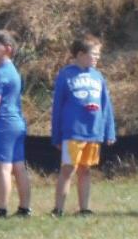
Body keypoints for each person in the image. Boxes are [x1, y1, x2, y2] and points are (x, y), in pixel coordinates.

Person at [50, 35, 116, 216]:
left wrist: (109, 131)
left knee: (85, 170)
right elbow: (57, 106)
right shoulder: (66, 75)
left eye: (98, 54)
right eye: (94, 54)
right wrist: (56, 135)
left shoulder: (98, 76)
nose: (97, 57)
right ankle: (58, 209)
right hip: (73, 131)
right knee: (68, 169)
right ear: (80, 54)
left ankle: (84, 208)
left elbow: (106, 105)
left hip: (93, 131)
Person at [0, 30, 32, 217]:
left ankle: (1, 208)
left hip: (4, 123)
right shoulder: (14, 71)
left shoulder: (0, 73)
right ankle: (24, 207)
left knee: (3, 167)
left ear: (8, 49)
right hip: (17, 122)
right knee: (19, 166)